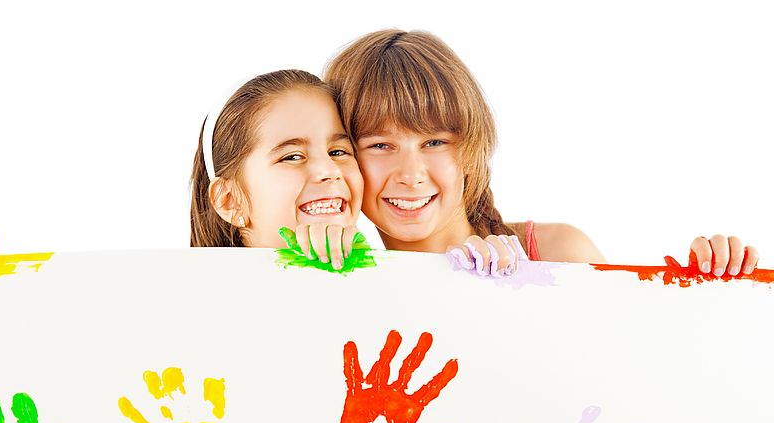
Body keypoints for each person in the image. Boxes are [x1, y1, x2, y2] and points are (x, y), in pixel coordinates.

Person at [322, 29, 761, 277]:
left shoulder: (556, 250)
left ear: (471, 148)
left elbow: (634, 382)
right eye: (380, 145)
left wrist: (714, 287)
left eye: (434, 142)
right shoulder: (351, 278)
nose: (411, 173)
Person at [0, 69, 365, 274]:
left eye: (340, 151)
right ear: (229, 201)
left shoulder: (392, 285)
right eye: (290, 155)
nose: (328, 171)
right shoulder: (172, 305)